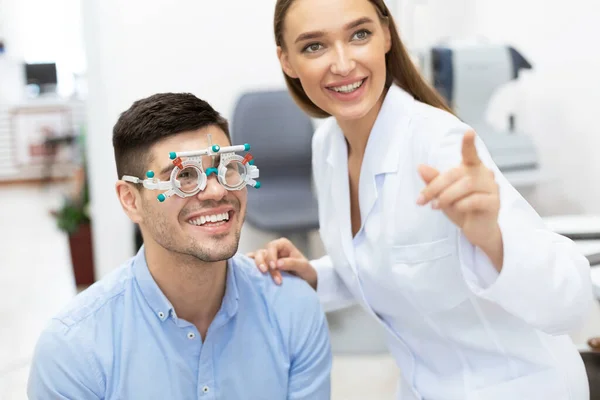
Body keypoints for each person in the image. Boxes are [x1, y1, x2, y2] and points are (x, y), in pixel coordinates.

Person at [249, 0, 594, 398]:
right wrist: (315, 277)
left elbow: (569, 302)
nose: (343, 64)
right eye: (314, 46)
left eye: (359, 34)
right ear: (287, 60)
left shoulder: (439, 144)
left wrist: (494, 241)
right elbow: (382, 262)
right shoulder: (328, 145)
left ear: (386, 37)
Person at [27, 93, 332, 399]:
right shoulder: (74, 349)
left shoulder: (292, 308)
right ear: (131, 200)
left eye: (227, 167)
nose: (215, 190)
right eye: (184, 175)